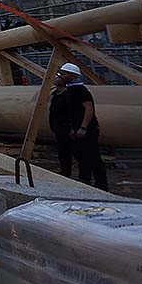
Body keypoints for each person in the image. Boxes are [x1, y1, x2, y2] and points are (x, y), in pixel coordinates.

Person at [49, 62, 109, 190]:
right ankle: (85, 181)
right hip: (77, 130)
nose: (61, 76)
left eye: (64, 74)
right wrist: (74, 129)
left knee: (93, 157)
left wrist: (83, 127)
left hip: (88, 130)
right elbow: (72, 113)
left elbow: (89, 109)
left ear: (73, 76)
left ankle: (102, 185)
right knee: (82, 156)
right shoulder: (70, 90)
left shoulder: (80, 90)